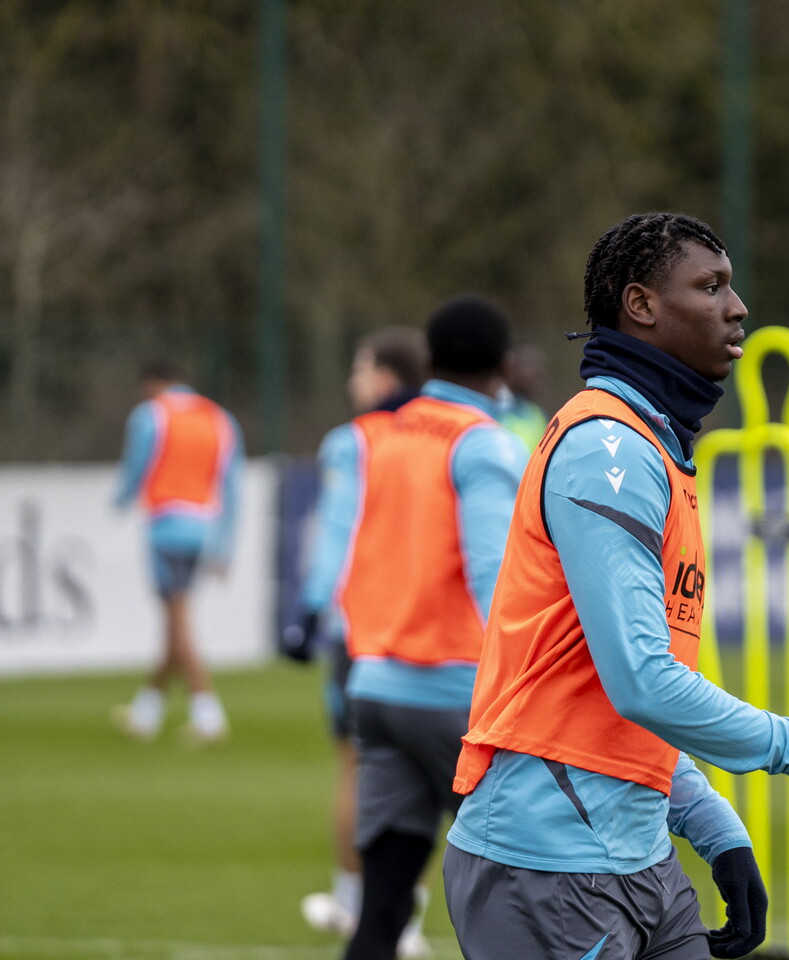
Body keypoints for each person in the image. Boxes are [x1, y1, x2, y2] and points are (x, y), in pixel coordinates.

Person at [443, 212, 789, 960]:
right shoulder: (606, 448)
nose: (738, 307)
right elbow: (642, 683)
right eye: (712, 286)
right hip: (546, 863)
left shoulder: (653, 445)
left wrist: (712, 826)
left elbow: (612, 697)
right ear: (641, 305)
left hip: (637, 857)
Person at [335, 294, 527, 960]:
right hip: (454, 692)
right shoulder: (483, 444)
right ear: (504, 366)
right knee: (521, 896)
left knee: (380, 912)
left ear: (428, 361)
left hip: (377, 686)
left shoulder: (382, 437)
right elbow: (495, 578)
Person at [281, 327, 432, 959]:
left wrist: (309, 608)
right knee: (440, 777)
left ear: (386, 378)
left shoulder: (352, 442)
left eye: (360, 368)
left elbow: (339, 528)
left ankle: (355, 901)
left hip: (361, 630)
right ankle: (413, 916)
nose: (353, 381)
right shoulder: (452, 433)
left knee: (361, 768)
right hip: (430, 632)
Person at [111, 360, 244, 745]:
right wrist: (225, 546)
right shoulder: (219, 419)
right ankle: (145, 712)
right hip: (204, 527)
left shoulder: (151, 416)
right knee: (175, 622)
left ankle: (208, 712)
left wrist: (120, 500)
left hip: (165, 528)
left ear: (153, 384)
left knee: (178, 619)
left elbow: (137, 467)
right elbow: (232, 488)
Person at [497, 343, 549, 452]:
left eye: (539, 368)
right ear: (510, 368)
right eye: (529, 366)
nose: (536, 373)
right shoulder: (495, 408)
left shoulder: (538, 414)